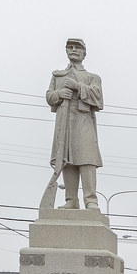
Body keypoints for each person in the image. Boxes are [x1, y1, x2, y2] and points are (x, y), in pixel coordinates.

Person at [45, 38, 103, 210]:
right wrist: (59, 93)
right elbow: (49, 97)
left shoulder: (92, 77)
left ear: (84, 53)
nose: (74, 50)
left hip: (83, 120)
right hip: (64, 122)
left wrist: (78, 86)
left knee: (87, 158)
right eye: (70, 47)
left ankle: (90, 199)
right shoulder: (58, 76)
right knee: (66, 158)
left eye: (78, 48)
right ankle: (71, 200)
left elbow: (98, 99)